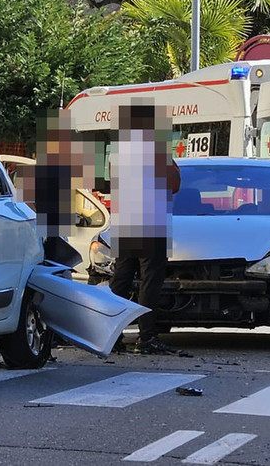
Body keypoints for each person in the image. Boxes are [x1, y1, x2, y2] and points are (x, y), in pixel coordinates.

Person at [109, 103, 183, 356]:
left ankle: (112, 335)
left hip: (126, 222)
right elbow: (174, 183)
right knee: (149, 283)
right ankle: (147, 337)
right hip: (150, 224)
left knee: (121, 281)